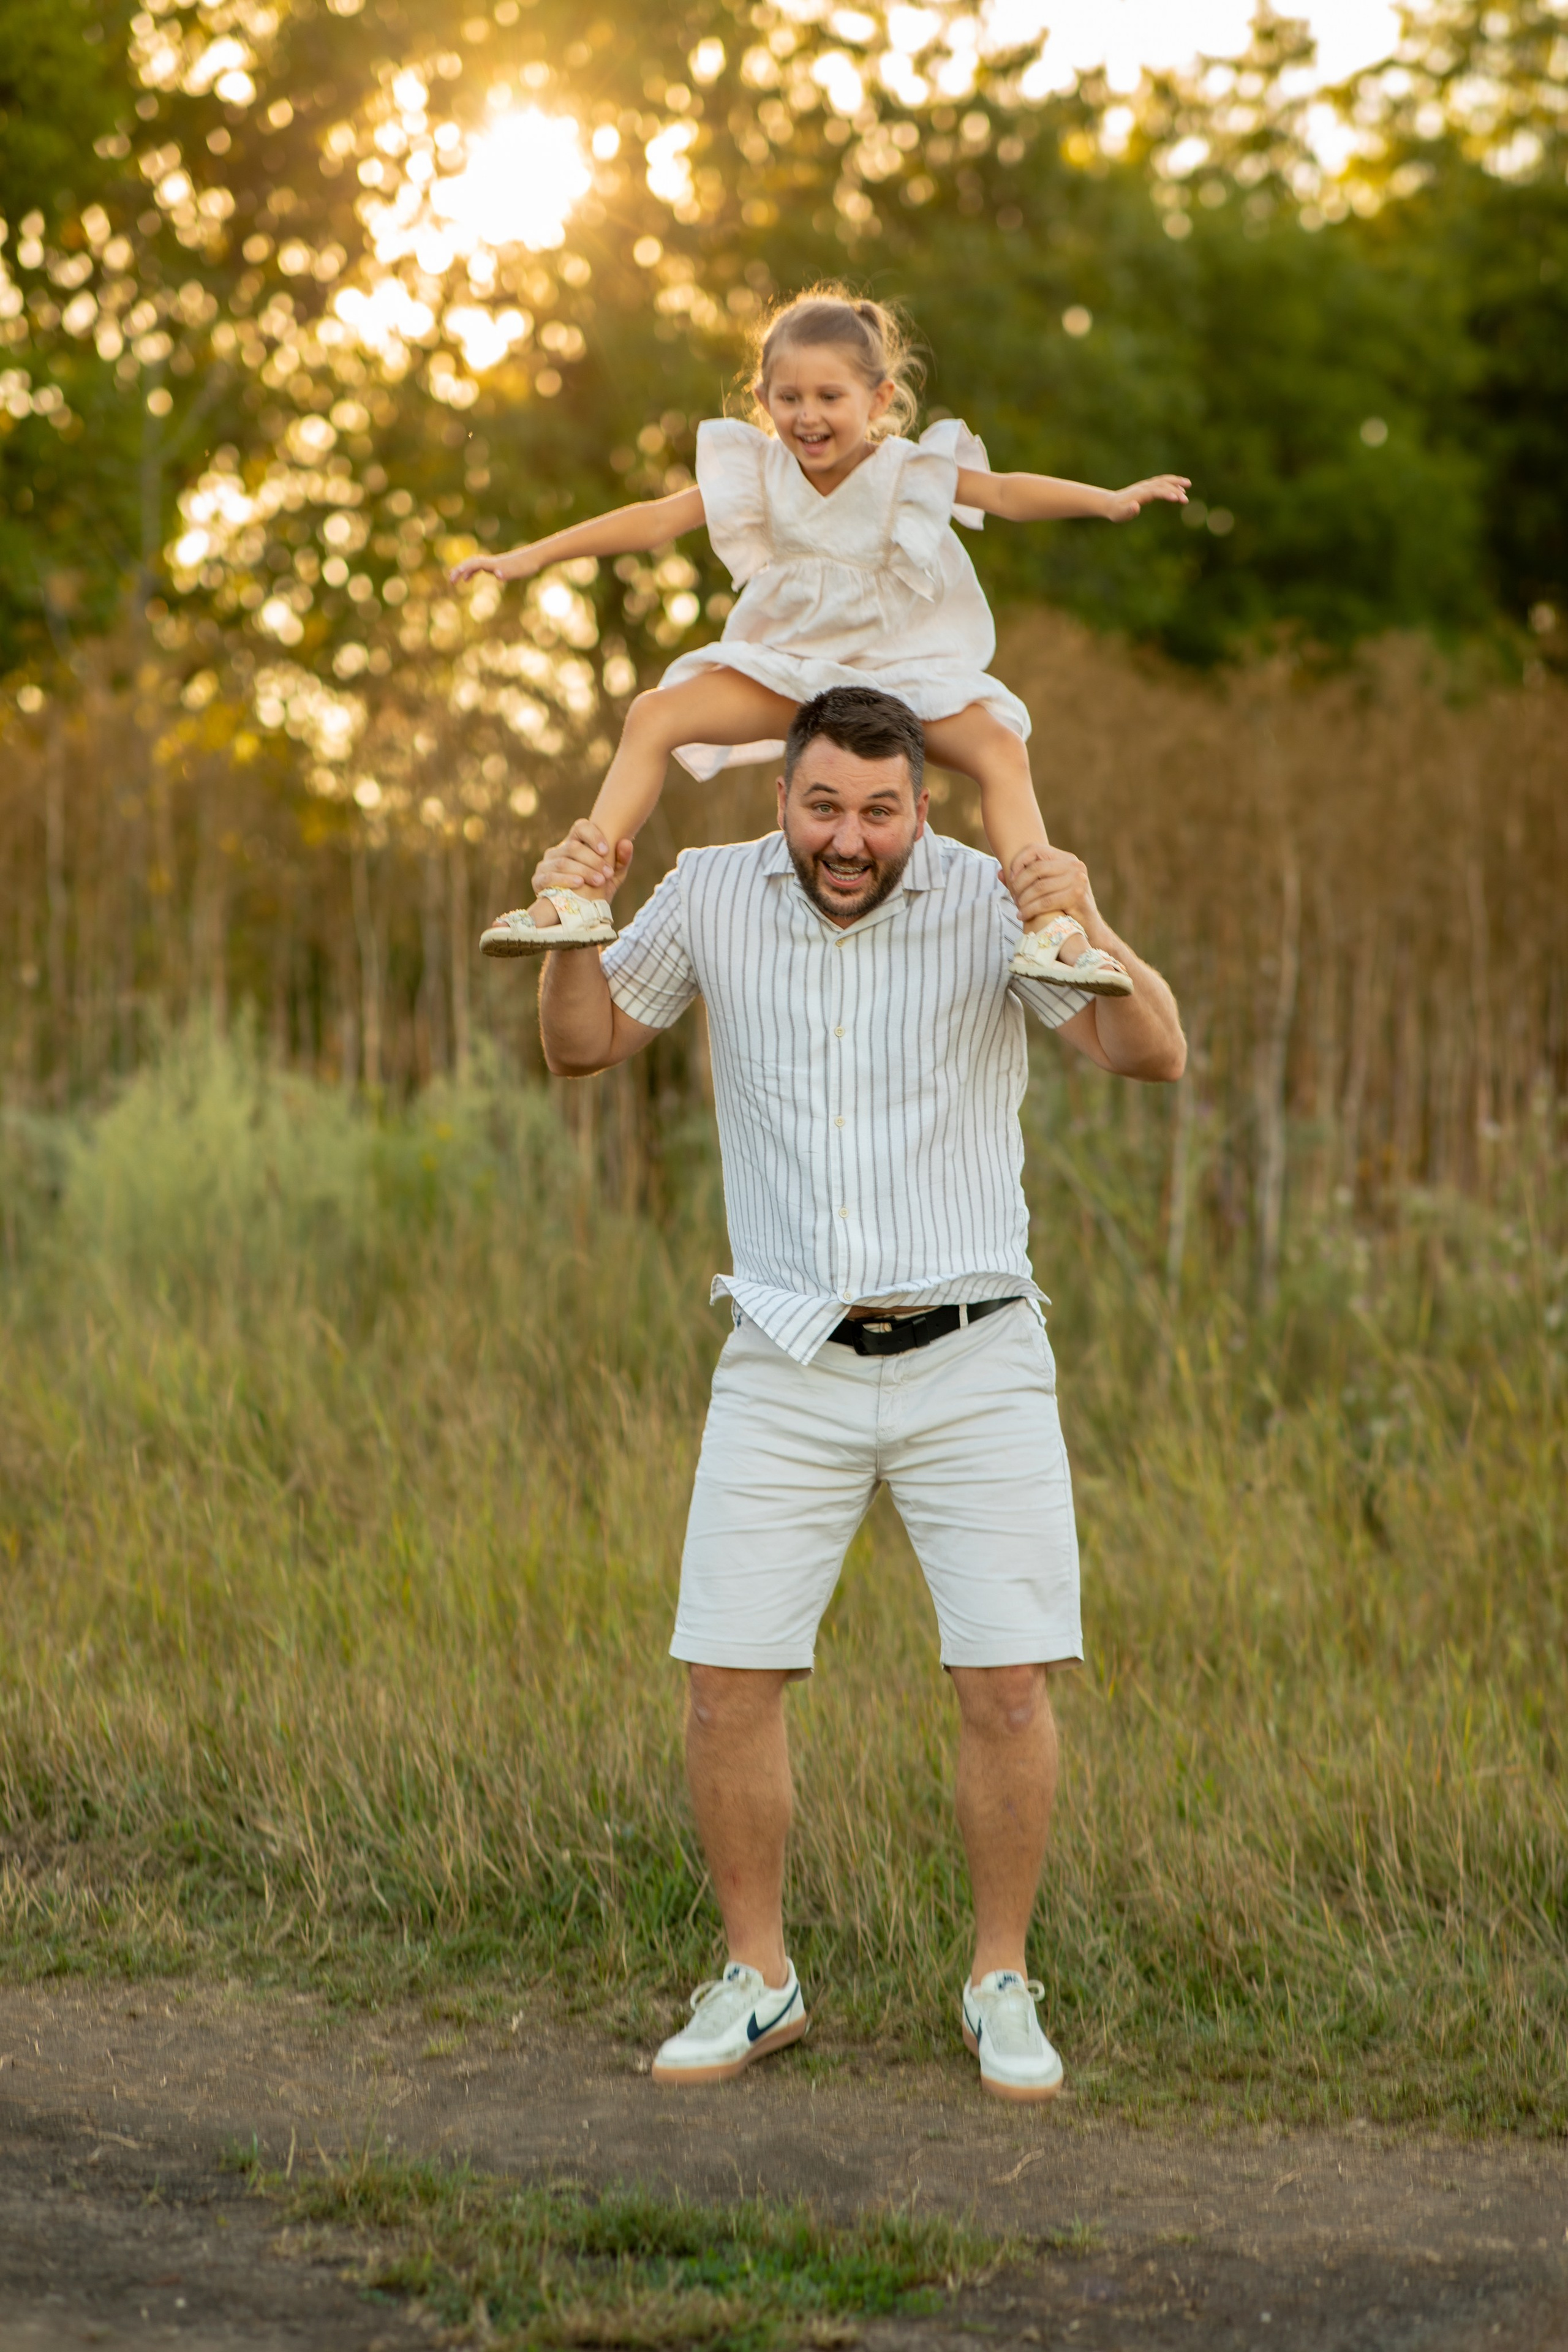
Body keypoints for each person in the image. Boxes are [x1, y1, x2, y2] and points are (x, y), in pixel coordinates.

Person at [533, 682, 1185, 2101]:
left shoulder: (989, 903)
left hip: (974, 1348)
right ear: (780, 796)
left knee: (1003, 1685)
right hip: (781, 1348)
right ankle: (758, 1978)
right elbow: (580, 1045)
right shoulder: (707, 891)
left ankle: (997, 1977)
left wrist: (1089, 916)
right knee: (723, 1683)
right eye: (822, 804)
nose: (847, 837)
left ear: (920, 810)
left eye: (877, 810)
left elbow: (1149, 1054)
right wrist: (574, 915)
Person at [452, 286, 1188, 992]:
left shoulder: (907, 470)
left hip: (901, 677)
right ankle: (579, 895)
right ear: (763, 399)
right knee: (655, 714)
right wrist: (529, 557)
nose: (807, 416)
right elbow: (650, 520)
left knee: (1000, 748)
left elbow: (1004, 493)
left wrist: (1109, 500)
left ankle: (1050, 926)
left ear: (877, 399)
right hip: (794, 674)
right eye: (787, 398)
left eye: (829, 398)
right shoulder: (764, 476)